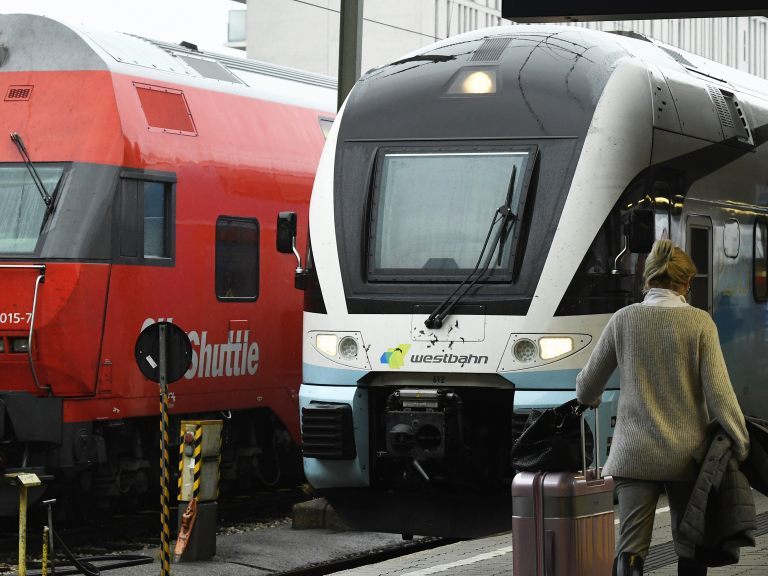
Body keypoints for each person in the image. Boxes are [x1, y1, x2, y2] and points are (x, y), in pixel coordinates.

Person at [576, 239, 750, 576]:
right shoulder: (700, 323)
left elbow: (586, 386)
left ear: (648, 279)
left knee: (630, 549)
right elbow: (720, 395)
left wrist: (591, 400)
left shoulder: (623, 320)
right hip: (687, 456)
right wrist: (741, 443)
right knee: (690, 546)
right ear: (686, 283)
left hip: (634, 454)